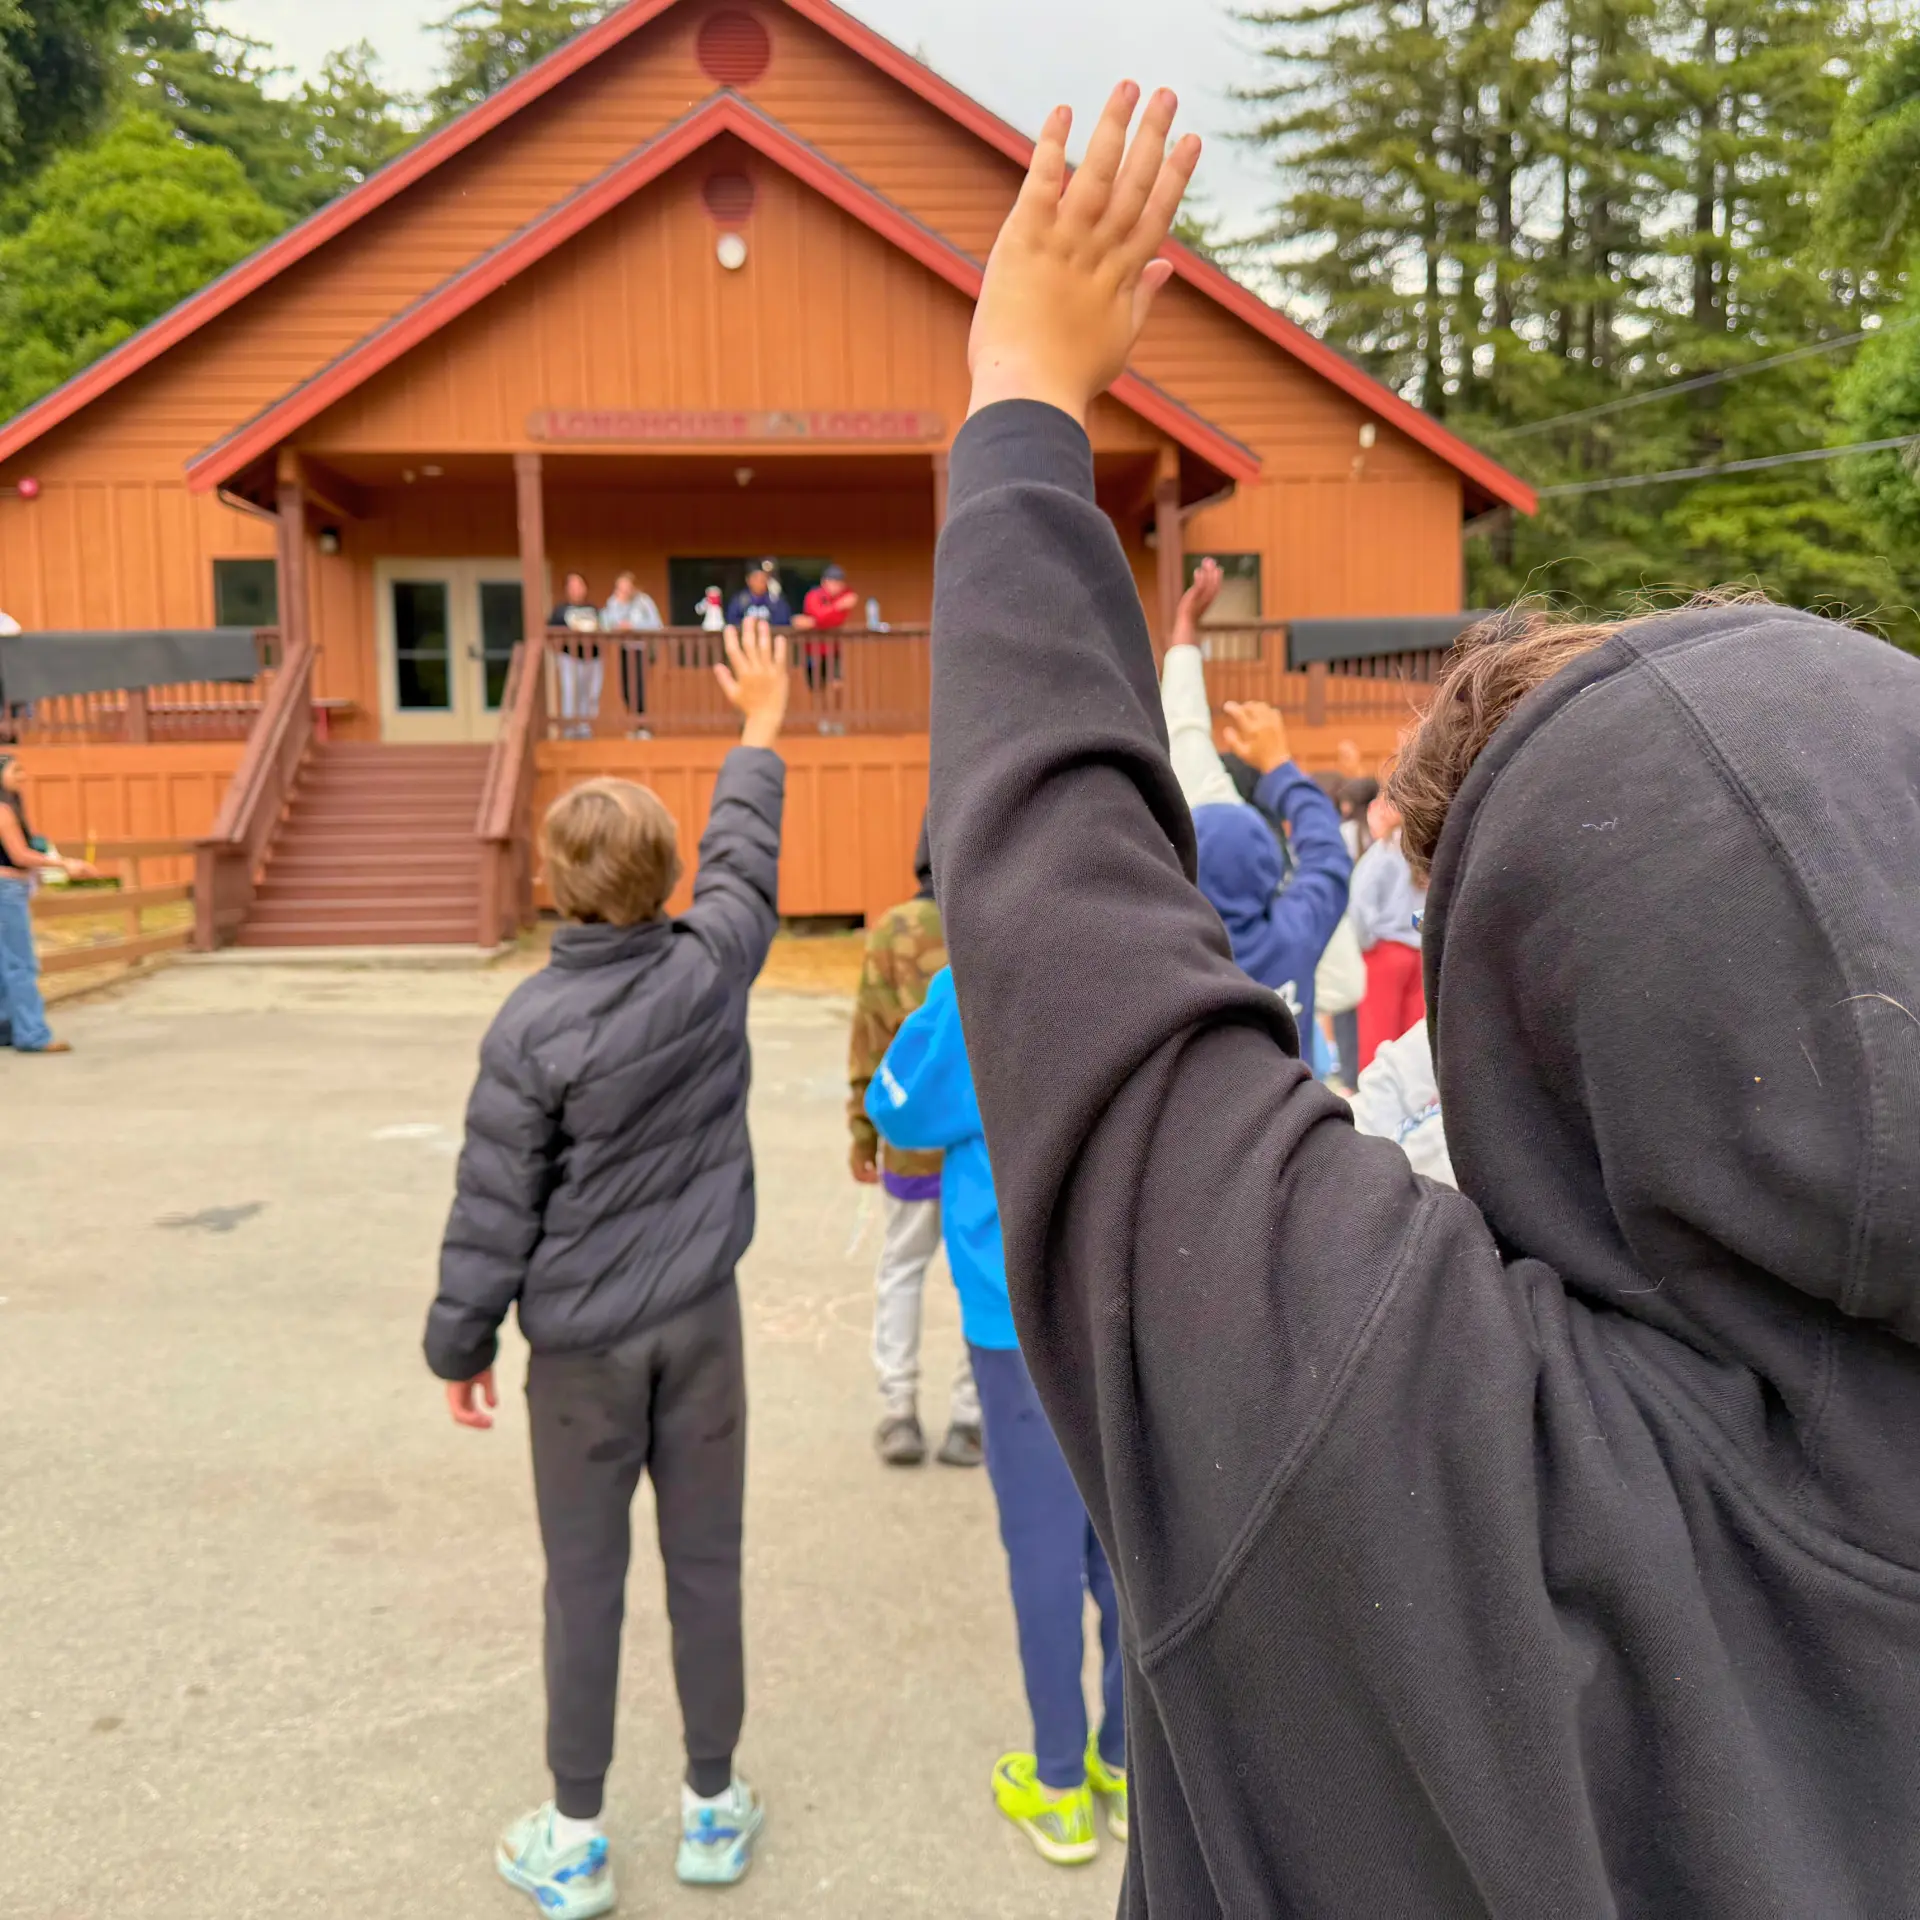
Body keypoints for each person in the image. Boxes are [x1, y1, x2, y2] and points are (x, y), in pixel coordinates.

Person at [934, 80, 1920, 1916]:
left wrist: (1020, 410)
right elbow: (1171, 912)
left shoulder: (1405, 1434)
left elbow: (1057, 928)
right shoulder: (1304, 909)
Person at [425, 618, 790, 1920]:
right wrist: (757, 722)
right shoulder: (713, 963)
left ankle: (575, 1840)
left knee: (585, 1586)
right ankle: (709, 1809)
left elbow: (492, 1209)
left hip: (577, 1350)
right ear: (666, 877)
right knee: (708, 1566)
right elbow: (746, 857)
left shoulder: (527, 1026)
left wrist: (461, 1345)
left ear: (557, 887)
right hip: (703, 1323)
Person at [866, 966, 1127, 1868]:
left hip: (1016, 1323)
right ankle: (1130, 1768)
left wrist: (919, 1024)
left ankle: (1058, 1783)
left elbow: (897, 1106)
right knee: (1124, 1544)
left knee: (1043, 1549)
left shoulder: (974, 980)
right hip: (1124, 1308)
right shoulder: (1123, 951)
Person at [1158, 559, 1351, 1030]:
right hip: (1294, 1098)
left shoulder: (1164, 959)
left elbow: (1184, 732)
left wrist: (1184, 632)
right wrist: (1281, 769)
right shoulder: (1294, 935)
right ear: (1272, 871)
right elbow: (1328, 856)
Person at [846, 821, 982, 1467]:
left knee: (901, 1269)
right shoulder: (992, 923)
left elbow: (870, 1038)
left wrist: (860, 1130)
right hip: (982, 1151)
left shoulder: (892, 931)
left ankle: (897, 1411)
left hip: (908, 1146)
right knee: (978, 1278)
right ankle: (970, 1418)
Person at [0, 752, 95, 1054]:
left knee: (5, 964)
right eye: (16, 771)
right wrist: (62, 864)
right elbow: (19, 855)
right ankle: (32, 1034)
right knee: (20, 964)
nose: (22, 776)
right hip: (6, 889)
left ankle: (8, 1027)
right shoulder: (3, 811)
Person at [1347, 789, 1426, 1074]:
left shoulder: (1383, 852)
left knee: (1378, 1041)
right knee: (1412, 1042)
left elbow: (1360, 906)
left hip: (1385, 955)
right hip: (1419, 953)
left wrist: (1364, 945)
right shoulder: (1426, 851)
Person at [550, 573, 603, 736]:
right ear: (567, 589)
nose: (576, 590)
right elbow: (550, 632)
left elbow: (603, 628)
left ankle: (585, 728)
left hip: (593, 658)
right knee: (570, 693)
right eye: (572, 586)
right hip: (569, 658)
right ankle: (569, 730)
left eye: (579, 585)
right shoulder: (560, 611)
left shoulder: (593, 610)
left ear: (585, 588)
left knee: (591, 694)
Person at [801, 563, 858, 697]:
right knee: (815, 687)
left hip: (833, 648)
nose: (835, 586)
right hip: (813, 649)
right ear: (823, 582)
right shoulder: (813, 595)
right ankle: (820, 717)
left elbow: (826, 620)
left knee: (837, 685)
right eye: (832, 582)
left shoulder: (845, 595)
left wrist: (816, 622)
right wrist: (837, 607)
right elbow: (819, 616)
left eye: (839, 583)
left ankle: (835, 718)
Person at [725, 564, 791, 629]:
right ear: (748, 580)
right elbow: (731, 622)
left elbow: (783, 623)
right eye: (756, 578)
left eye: (764, 578)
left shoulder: (775, 600)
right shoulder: (739, 600)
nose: (761, 581)